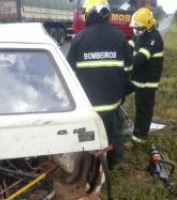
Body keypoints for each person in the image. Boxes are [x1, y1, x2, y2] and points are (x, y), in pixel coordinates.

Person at [67, 0, 132, 169]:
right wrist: (121, 92)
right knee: (113, 135)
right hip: (112, 104)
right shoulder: (120, 37)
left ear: (88, 15)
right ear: (107, 14)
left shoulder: (78, 38)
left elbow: (69, 72)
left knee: (86, 137)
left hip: (87, 106)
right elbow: (129, 71)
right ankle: (111, 164)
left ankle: (87, 165)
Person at [129, 7, 164, 143]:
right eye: (134, 29)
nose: (136, 32)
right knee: (119, 92)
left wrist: (123, 67)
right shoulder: (139, 34)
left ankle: (140, 138)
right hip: (137, 78)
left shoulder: (154, 39)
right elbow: (129, 46)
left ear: (148, 26)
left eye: (139, 29)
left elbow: (139, 60)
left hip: (147, 81)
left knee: (143, 109)